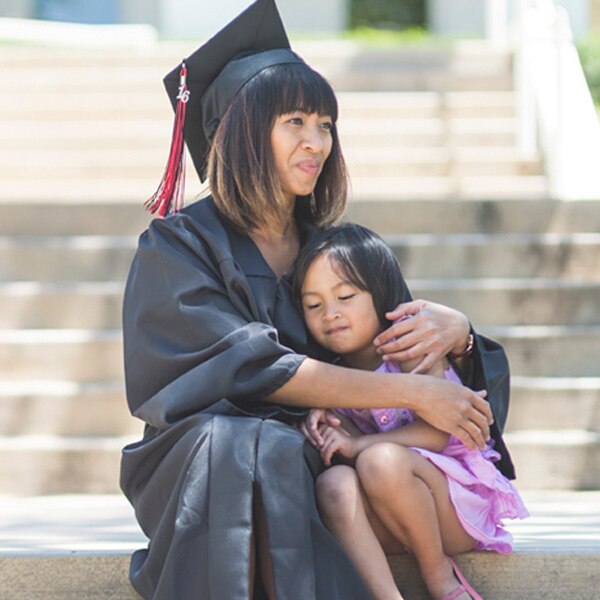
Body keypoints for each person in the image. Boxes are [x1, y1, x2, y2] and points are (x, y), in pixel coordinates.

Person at [120, 1, 512, 598]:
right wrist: (407, 390)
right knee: (247, 445)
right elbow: (249, 367)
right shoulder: (178, 246)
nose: (317, 142)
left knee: (282, 451)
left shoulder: (332, 253)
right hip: (203, 464)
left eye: (325, 124)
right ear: (242, 132)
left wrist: (456, 333)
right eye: (295, 122)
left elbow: (414, 369)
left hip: (326, 459)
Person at [292, 224, 528, 600]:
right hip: (390, 514)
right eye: (314, 305)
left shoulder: (411, 347)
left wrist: (361, 444)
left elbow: (437, 433)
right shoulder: (327, 375)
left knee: (379, 459)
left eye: (345, 296)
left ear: (379, 292)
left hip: (453, 507)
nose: (330, 314)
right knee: (332, 485)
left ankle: (439, 577)